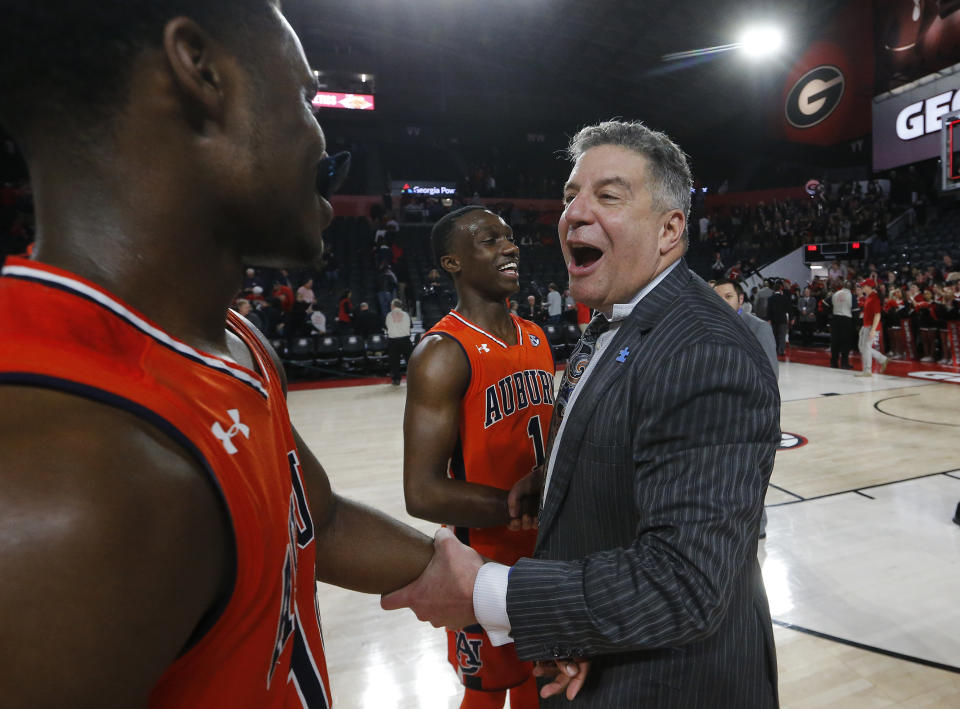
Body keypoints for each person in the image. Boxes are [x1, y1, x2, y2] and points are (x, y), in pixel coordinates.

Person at [0, 2, 436, 705]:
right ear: (199, 71)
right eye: (305, 96)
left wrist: (498, 592)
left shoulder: (232, 341)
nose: (323, 140)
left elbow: (314, 522)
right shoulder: (54, 482)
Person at [383, 120, 781, 707]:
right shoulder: (611, 321)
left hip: (667, 685)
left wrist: (489, 590)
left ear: (671, 229)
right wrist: (546, 481)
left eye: (607, 195)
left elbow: (686, 584)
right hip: (600, 644)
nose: (573, 212)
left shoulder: (703, 350)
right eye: (570, 195)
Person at [402, 206, 554, 709]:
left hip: (548, 556)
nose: (510, 247)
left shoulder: (535, 336)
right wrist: (526, 507)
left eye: (510, 238)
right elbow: (422, 493)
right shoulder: (442, 352)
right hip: (481, 566)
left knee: (544, 685)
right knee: (488, 695)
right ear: (453, 263)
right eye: (490, 241)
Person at [713, 278, 778, 539]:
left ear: (741, 300)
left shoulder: (758, 328)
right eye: (718, 296)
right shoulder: (709, 326)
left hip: (751, 416)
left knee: (751, 475)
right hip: (719, 414)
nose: (722, 301)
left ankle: (757, 528)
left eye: (728, 296)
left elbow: (769, 376)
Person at [856, 278, 889, 377]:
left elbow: (877, 314)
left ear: (869, 286)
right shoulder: (869, 297)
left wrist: (873, 330)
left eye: (863, 286)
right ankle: (883, 359)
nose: (862, 287)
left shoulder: (874, 298)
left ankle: (867, 371)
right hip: (866, 325)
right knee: (862, 347)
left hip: (871, 326)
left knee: (865, 348)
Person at [385, 298, 412, 385]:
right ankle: (413, 379)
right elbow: (410, 326)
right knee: (410, 361)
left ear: (393, 306)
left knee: (394, 362)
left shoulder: (389, 315)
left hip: (393, 341)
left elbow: (386, 326)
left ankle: (396, 380)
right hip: (405, 340)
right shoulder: (406, 314)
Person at [831, 281, 854, 368]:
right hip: (846, 319)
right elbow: (854, 308)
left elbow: (827, 303)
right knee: (845, 342)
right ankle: (844, 363)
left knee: (835, 342)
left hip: (836, 318)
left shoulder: (836, 294)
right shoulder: (851, 295)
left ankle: (834, 362)